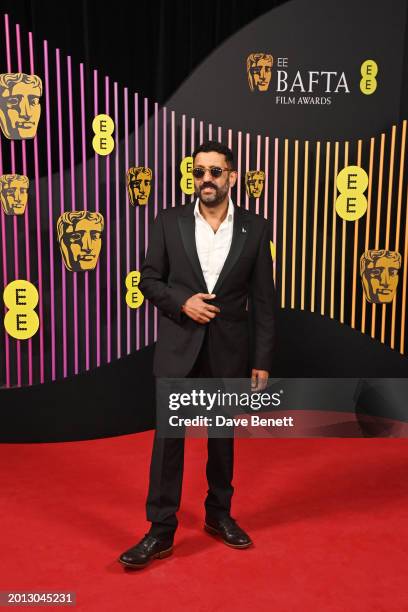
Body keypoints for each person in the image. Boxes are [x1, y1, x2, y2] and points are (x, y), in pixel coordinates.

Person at [119, 141, 276, 569]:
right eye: (199, 172)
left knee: (221, 439)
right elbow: (150, 280)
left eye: (215, 172)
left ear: (232, 177)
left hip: (229, 350)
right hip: (178, 348)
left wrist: (261, 359)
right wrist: (183, 302)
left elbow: (264, 300)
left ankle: (219, 515)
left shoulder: (256, 228)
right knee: (168, 443)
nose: (206, 179)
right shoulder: (168, 222)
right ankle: (160, 530)